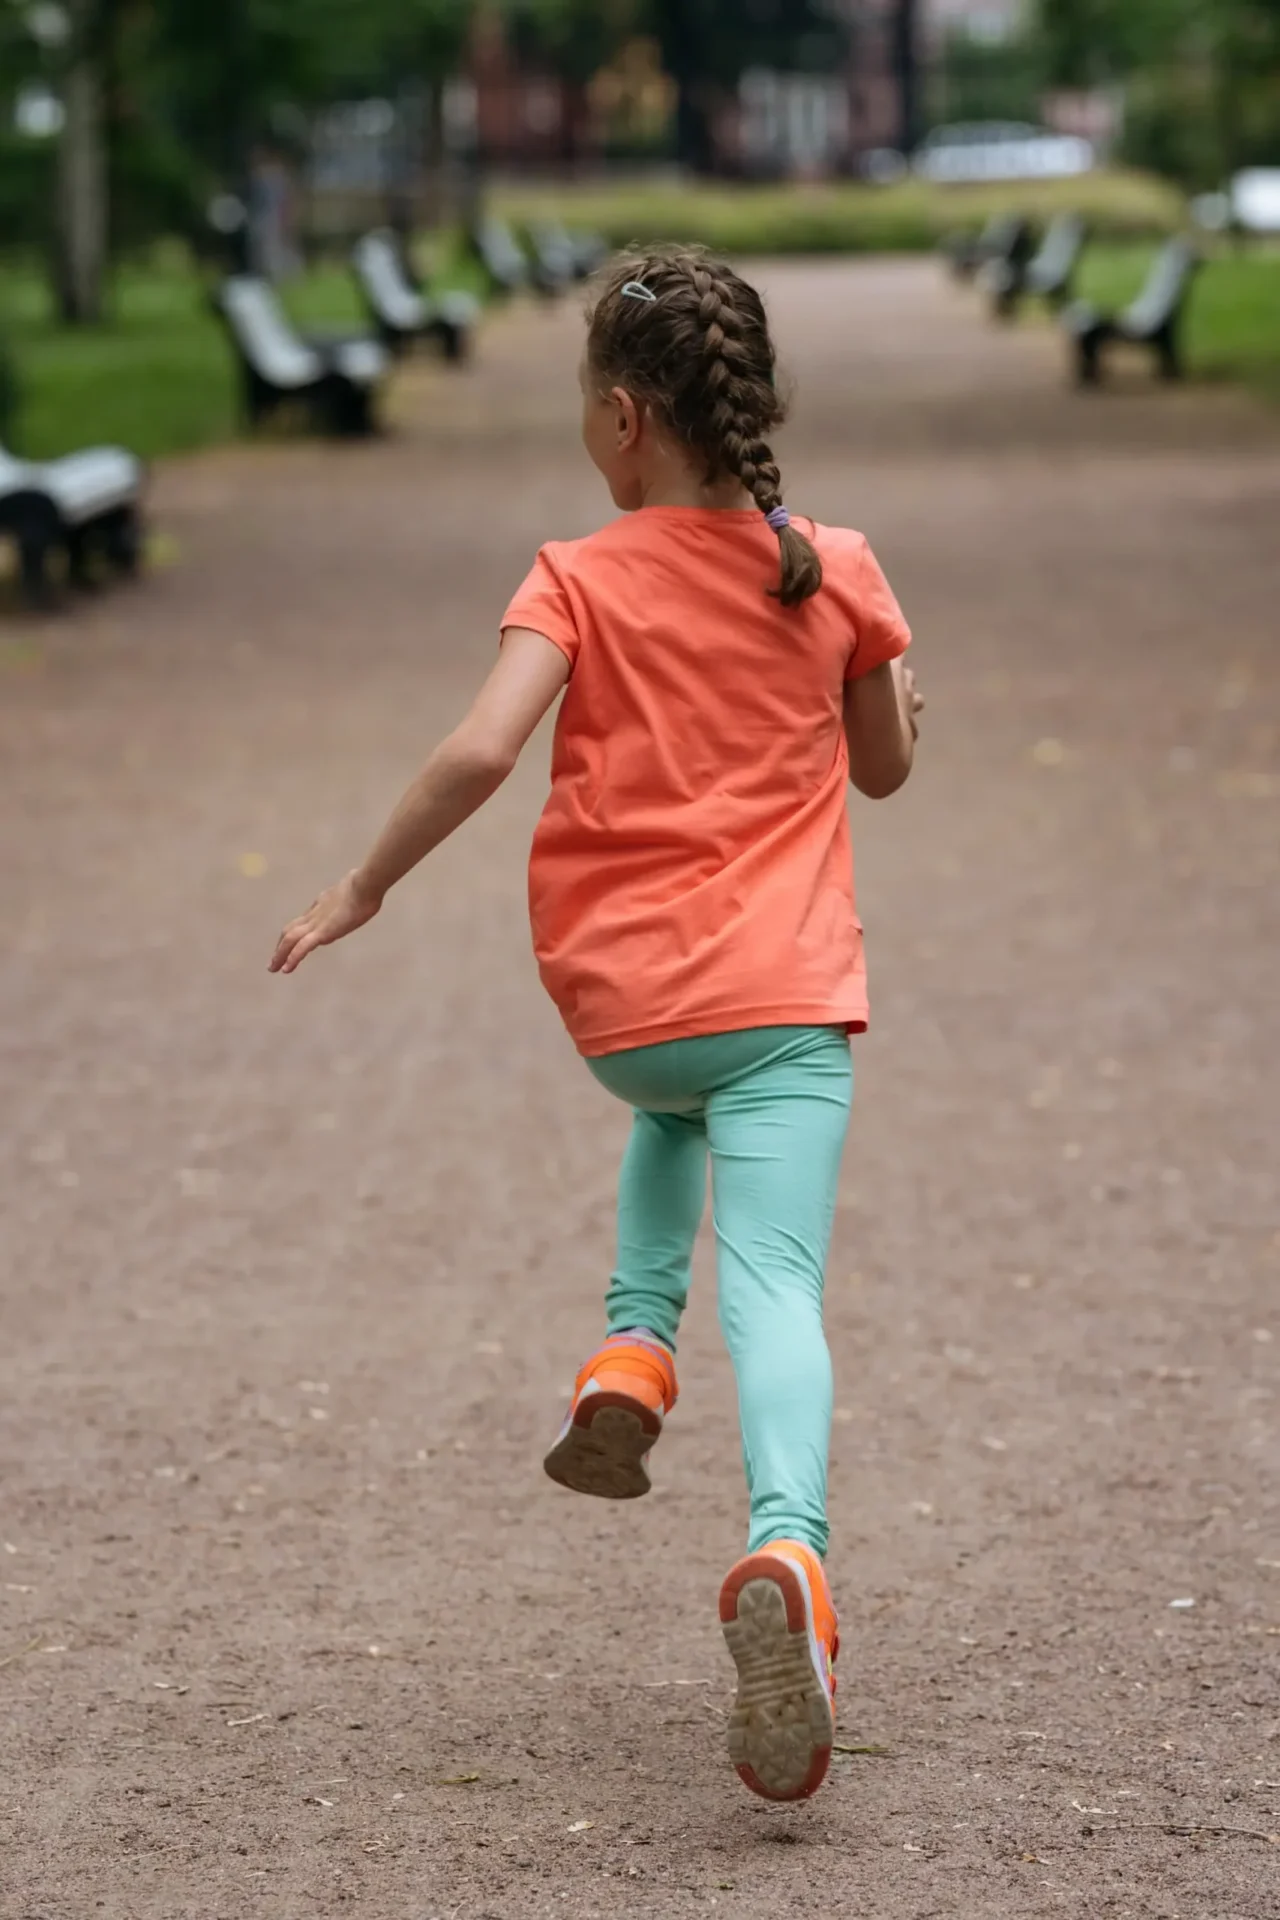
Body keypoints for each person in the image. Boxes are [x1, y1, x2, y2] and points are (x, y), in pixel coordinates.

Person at [269, 245, 923, 1804]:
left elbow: (485, 752)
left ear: (624, 418)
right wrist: (894, 673)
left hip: (629, 1009)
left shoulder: (573, 573)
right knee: (773, 1286)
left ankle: (631, 1351)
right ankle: (790, 1556)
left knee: (669, 1107)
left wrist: (363, 884)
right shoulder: (833, 565)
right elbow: (886, 769)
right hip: (784, 1001)